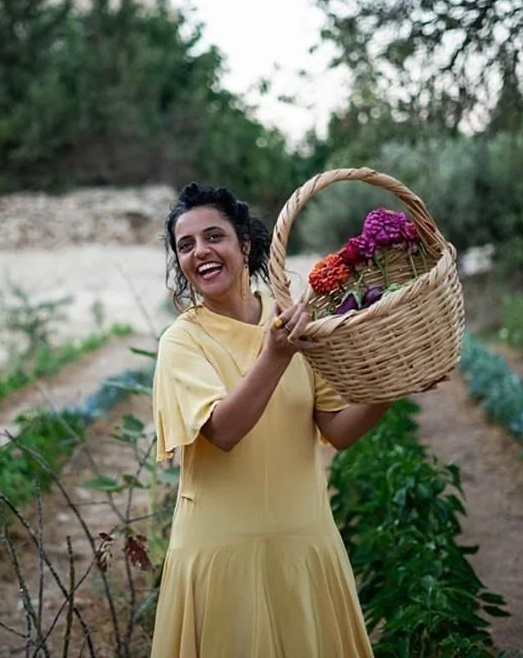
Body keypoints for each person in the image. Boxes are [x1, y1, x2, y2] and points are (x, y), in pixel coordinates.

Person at [149, 182, 398, 658]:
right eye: (186, 245)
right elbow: (223, 431)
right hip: (221, 558)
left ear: (244, 244)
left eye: (214, 236)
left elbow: (338, 430)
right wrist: (277, 354)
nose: (201, 251)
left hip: (304, 548)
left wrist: (391, 386)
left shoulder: (292, 321)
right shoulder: (183, 343)